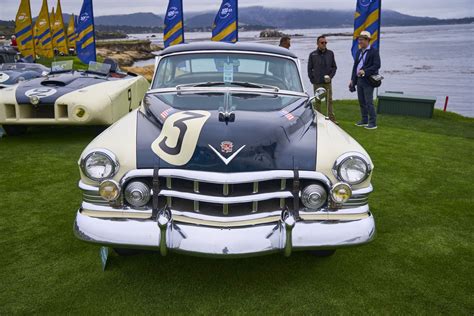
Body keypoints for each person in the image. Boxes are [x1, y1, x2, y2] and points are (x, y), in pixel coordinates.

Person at [349, 31, 381, 130]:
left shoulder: (374, 52)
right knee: (361, 101)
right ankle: (364, 120)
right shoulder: (359, 52)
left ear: (367, 40)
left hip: (368, 80)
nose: (359, 41)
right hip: (359, 80)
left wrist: (365, 71)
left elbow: (377, 65)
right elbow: (355, 67)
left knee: (369, 102)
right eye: (359, 39)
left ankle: (373, 123)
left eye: (361, 39)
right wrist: (352, 79)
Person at [308, 35, 338, 123]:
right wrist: (312, 79)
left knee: (329, 100)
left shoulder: (330, 53)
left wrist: (330, 77)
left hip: (327, 82)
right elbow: (309, 68)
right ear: (317, 43)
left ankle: (332, 119)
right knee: (318, 101)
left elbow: (334, 67)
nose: (324, 44)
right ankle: (319, 119)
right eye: (322, 43)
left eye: (325, 42)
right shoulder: (313, 54)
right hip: (317, 82)